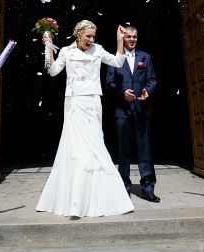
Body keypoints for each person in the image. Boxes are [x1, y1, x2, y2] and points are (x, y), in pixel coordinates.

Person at [36, 20, 135, 217]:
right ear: (78, 34)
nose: (91, 40)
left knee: (95, 146)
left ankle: (101, 198)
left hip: (92, 103)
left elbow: (117, 62)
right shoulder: (66, 51)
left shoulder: (97, 50)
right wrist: (48, 48)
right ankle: (73, 201)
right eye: (88, 36)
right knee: (75, 148)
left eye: (93, 37)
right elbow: (53, 71)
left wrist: (119, 41)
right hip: (74, 103)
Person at [105, 25, 159, 202]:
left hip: (142, 110)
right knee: (123, 151)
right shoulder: (114, 59)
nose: (132, 40)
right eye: (128, 36)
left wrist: (147, 91)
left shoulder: (146, 57)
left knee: (145, 151)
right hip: (123, 111)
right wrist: (122, 93)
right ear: (123, 37)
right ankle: (124, 188)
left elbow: (152, 80)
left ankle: (148, 188)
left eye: (134, 37)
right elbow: (109, 84)